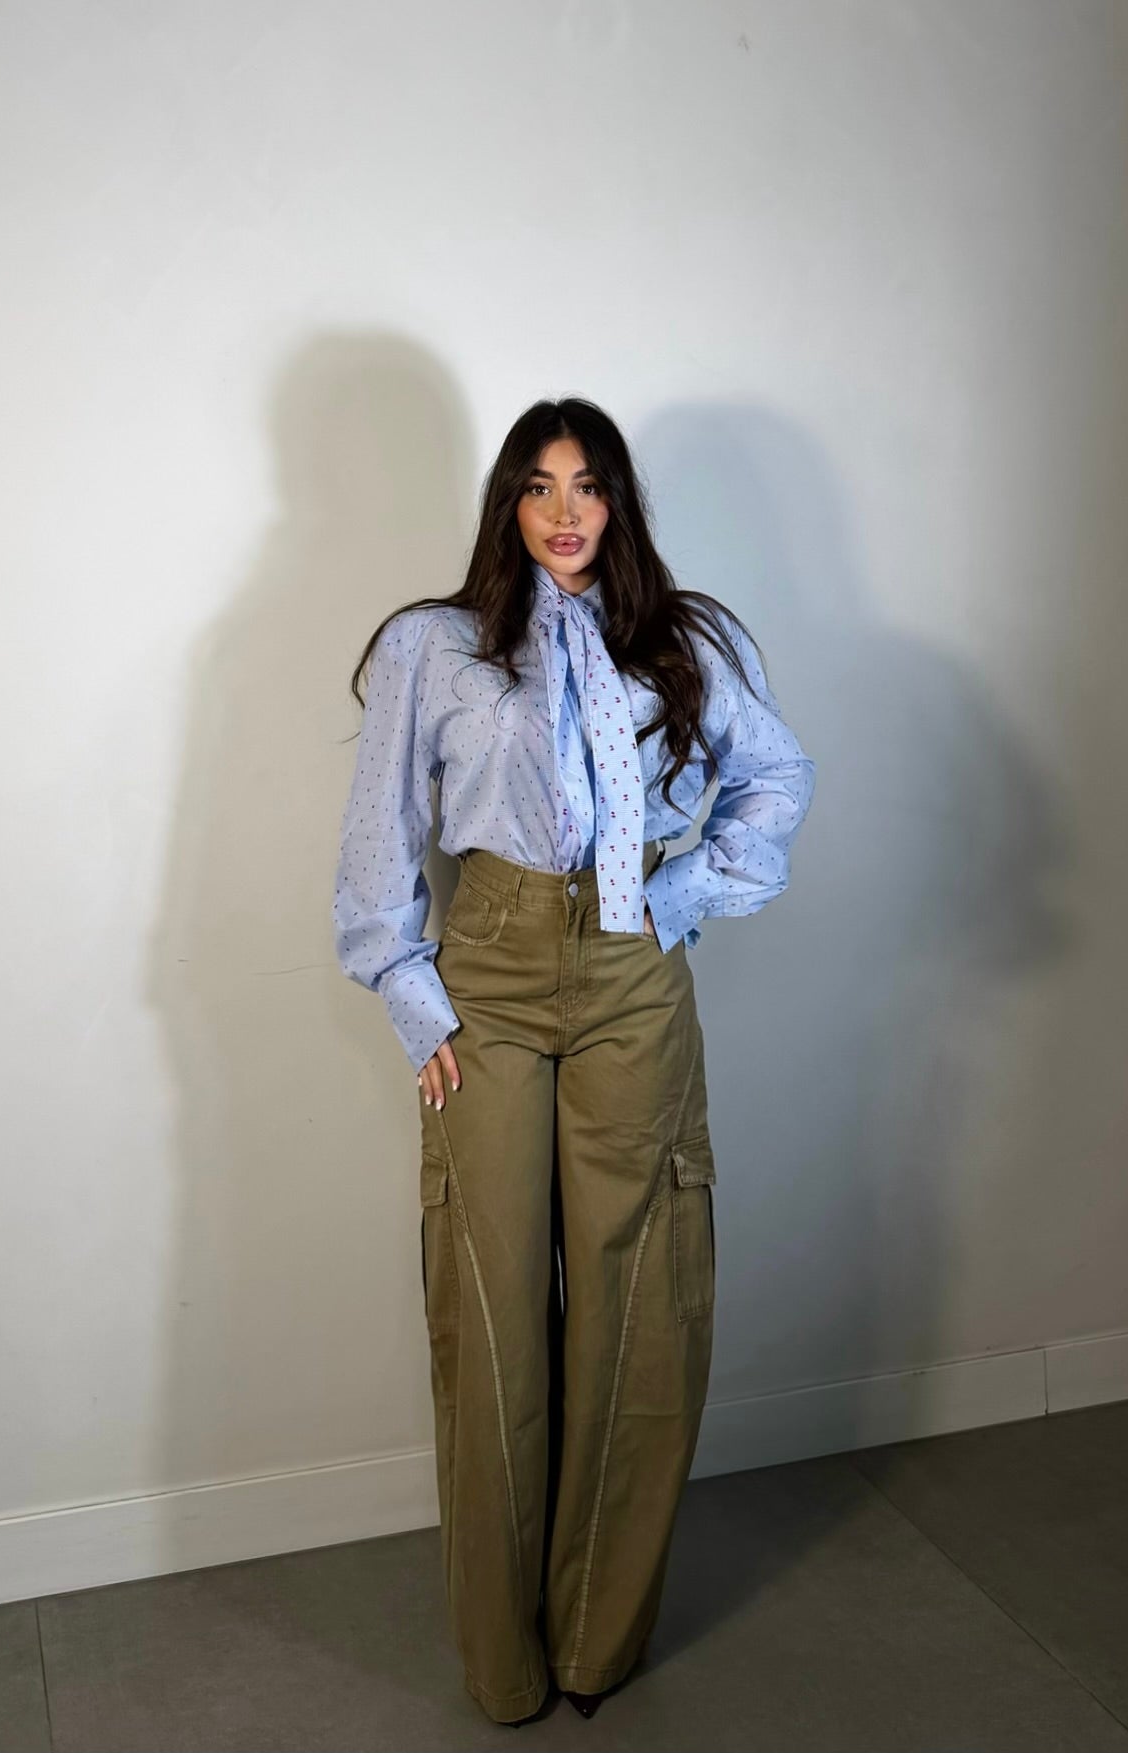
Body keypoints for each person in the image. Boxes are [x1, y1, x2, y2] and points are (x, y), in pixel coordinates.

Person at [332, 397, 816, 1725]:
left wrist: (688, 890)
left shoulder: (683, 639)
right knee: (492, 1312)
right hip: (486, 972)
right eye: (538, 485)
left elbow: (774, 776)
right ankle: (503, 1659)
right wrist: (414, 995)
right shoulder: (435, 645)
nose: (564, 511)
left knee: (636, 1301)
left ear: (618, 502)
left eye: (588, 484)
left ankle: (598, 1639)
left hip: (632, 972)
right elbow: (381, 833)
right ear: (508, 502)